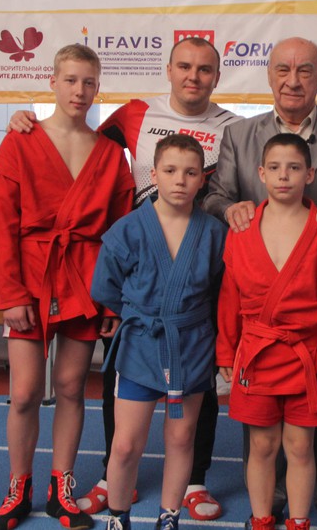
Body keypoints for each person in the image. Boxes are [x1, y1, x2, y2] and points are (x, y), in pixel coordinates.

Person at [9, 36, 239, 521]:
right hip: (141, 268)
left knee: (196, 386)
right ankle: (115, 480)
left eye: (204, 69)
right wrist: (26, 122)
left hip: (195, 263)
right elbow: (80, 143)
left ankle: (194, 480)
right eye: (184, 66)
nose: (193, 76)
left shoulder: (235, 129)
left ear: (217, 77)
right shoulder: (135, 114)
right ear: (169, 70)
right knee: (122, 382)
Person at [204, 36, 317, 530]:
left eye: (305, 70)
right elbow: (214, 196)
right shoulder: (240, 136)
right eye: (283, 69)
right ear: (269, 75)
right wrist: (231, 208)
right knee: (262, 433)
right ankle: (270, 503)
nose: (293, 80)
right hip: (261, 304)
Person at [0, 44, 134, 530]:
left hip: (86, 279)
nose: (79, 91)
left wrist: (111, 301)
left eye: (88, 82)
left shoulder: (110, 153)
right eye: (70, 80)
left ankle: (61, 486)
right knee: (25, 392)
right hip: (29, 277)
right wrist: (9, 295)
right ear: (52, 82)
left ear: (98, 87)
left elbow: (119, 233)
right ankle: (18, 486)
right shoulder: (20, 140)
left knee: (71, 386)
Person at [217, 134, 317, 530]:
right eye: (275, 168)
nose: (284, 176)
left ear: (310, 174)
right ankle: (262, 519)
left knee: (300, 445)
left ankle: (299, 522)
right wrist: (226, 351)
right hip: (257, 355)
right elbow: (229, 297)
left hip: (306, 358)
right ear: (261, 173)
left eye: (294, 167)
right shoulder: (243, 228)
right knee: (262, 444)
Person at [91, 133, 228, 530]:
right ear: (153, 175)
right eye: (170, 171)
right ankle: (119, 517)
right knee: (125, 444)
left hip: (191, 344)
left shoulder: (214, 233)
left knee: (182, 439)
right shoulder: (128, 229)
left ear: (202, 179)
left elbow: (222, 290)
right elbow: (104, 286)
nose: (180, 180)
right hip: (141, 343)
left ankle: (169, 517)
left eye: (190, 172)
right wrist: (139, 313)